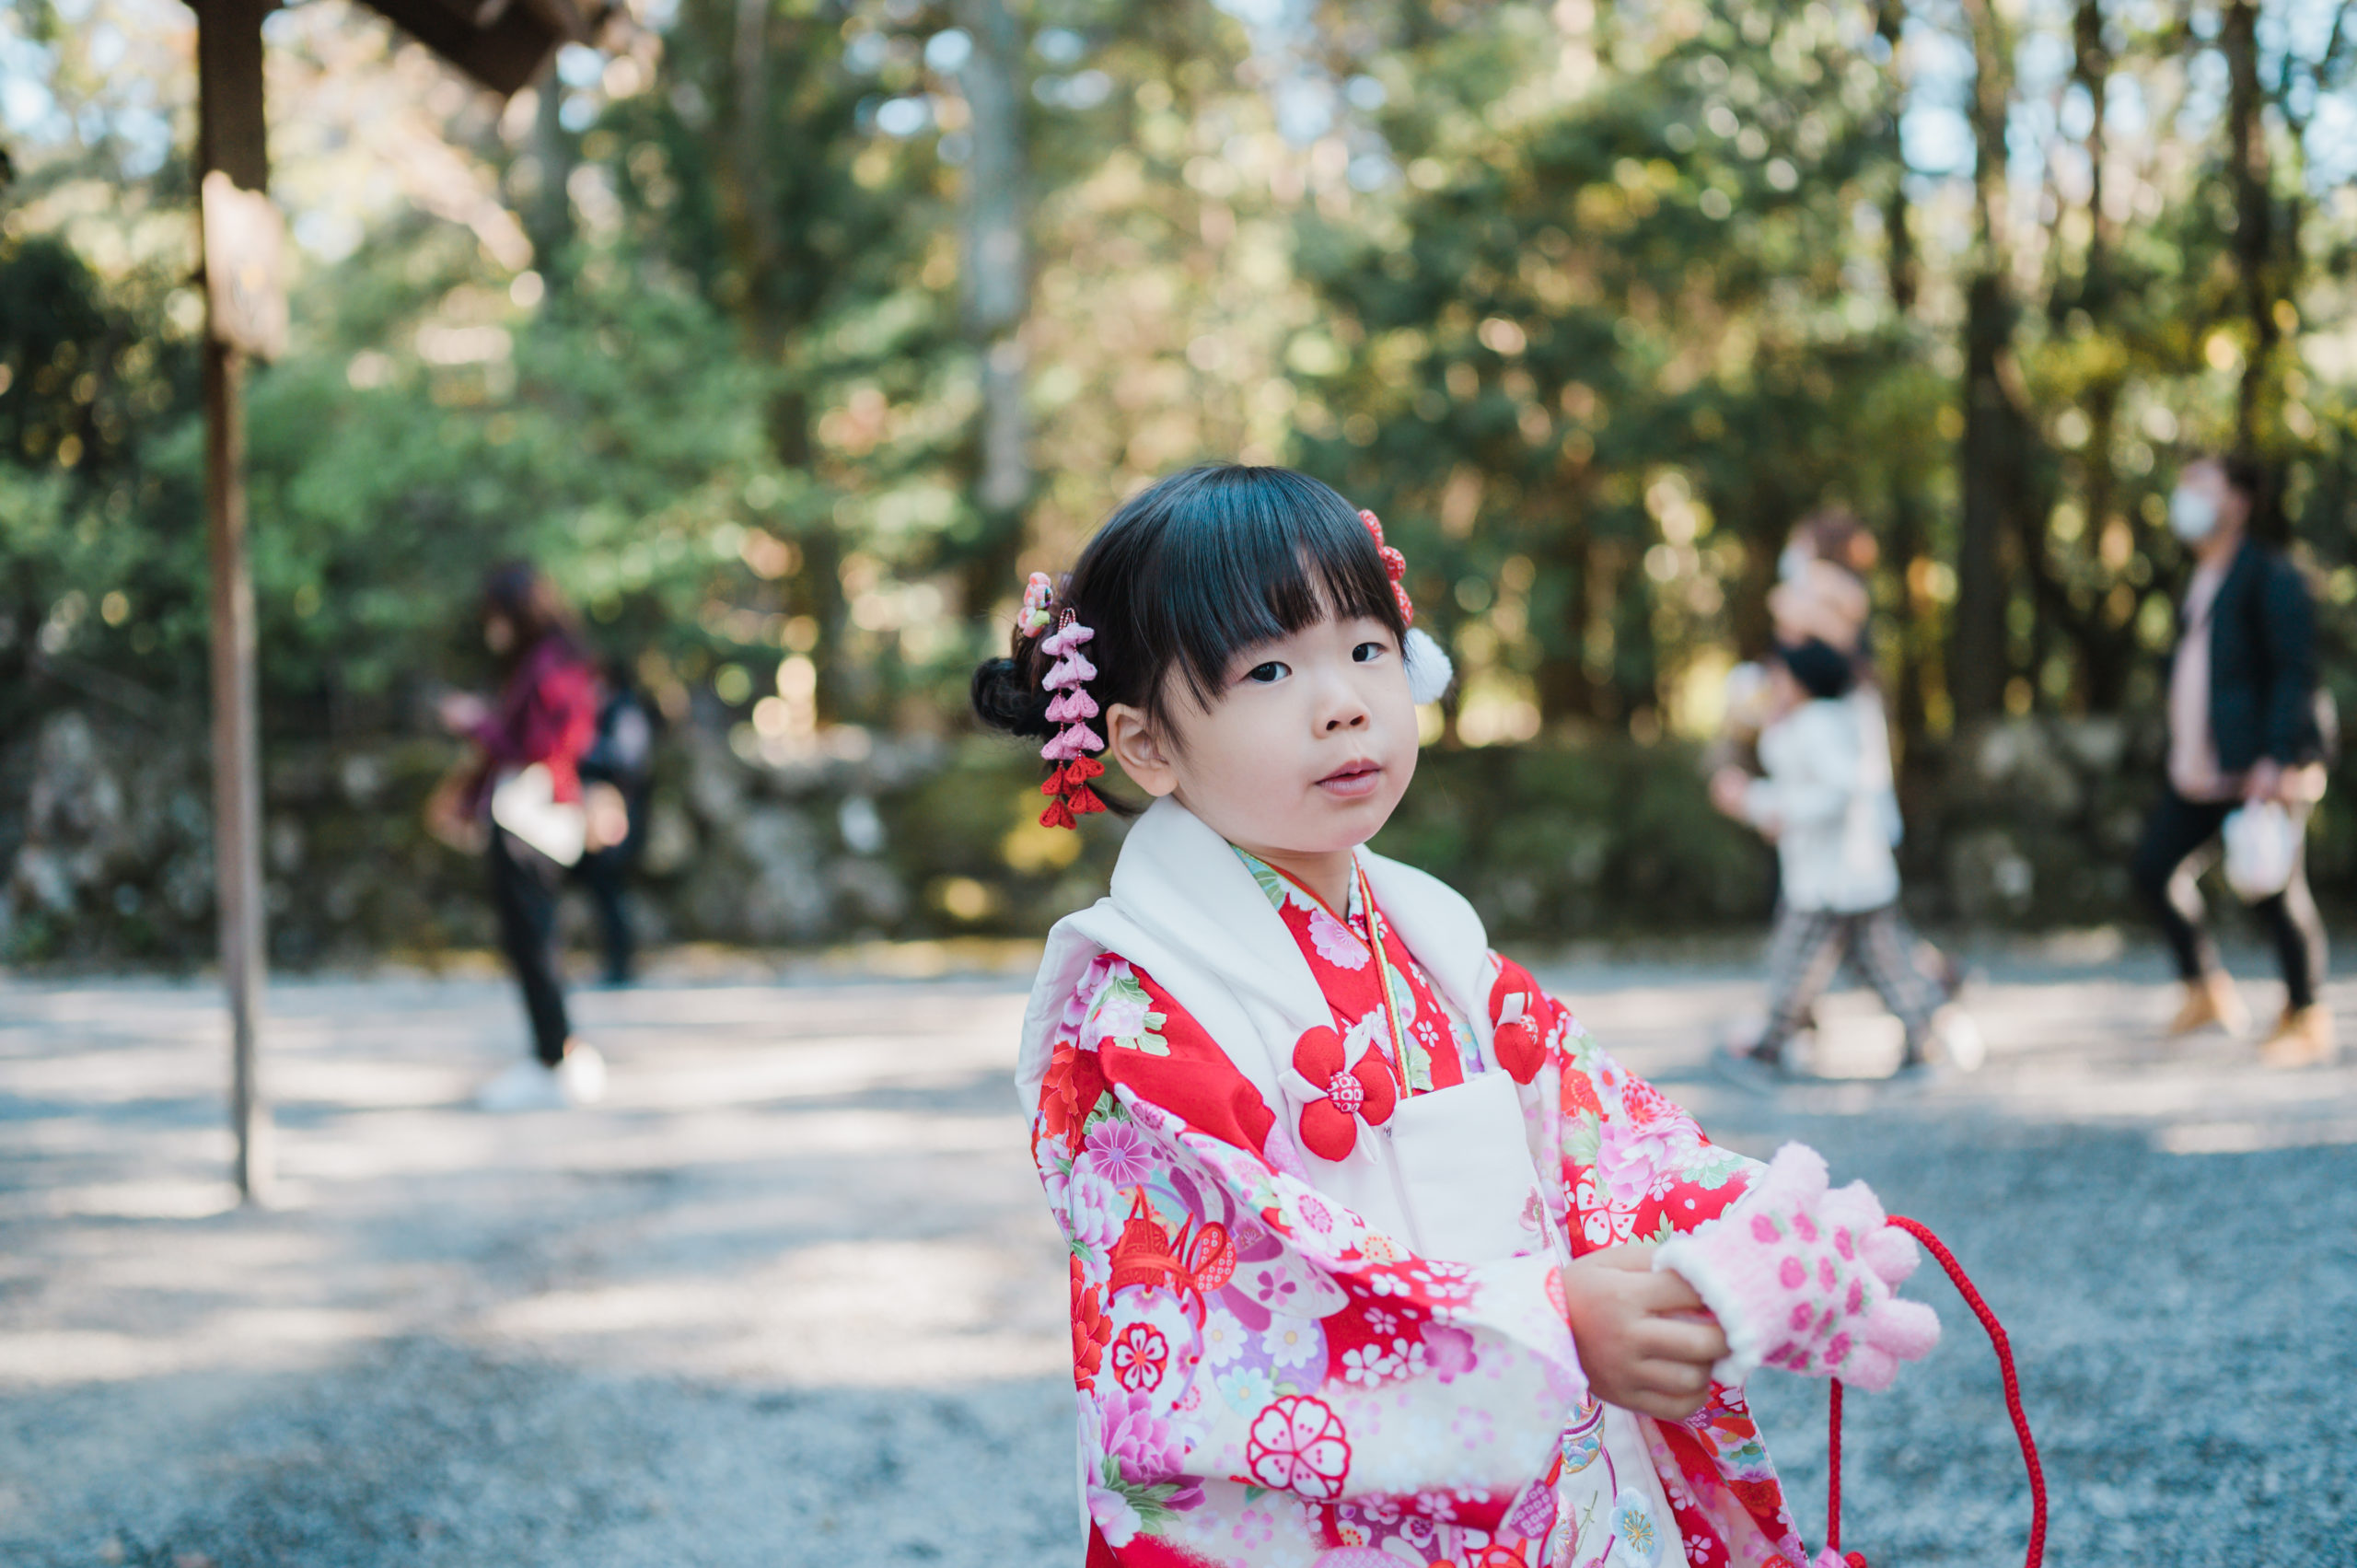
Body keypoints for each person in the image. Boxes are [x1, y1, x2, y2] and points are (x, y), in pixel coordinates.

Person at [972, 465, 1940, 1568]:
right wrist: (1548, 1322)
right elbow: (1224, 1313)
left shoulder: (1429, 935)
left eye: (1365, 647)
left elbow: (1589, 1129)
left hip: (1535, 1467)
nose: (1341, 697)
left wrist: (1757, 1231)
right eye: (1271, 666)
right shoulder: (1143, 1004)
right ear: (1144, 744)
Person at [2131, 454, 2332, 1067]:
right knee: (2152, 869)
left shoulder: (2269, 574)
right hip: (2199, 770)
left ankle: (2306, 1014)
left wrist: (2278, 755)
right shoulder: (2197, 577)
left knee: (2273, 887)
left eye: (2202, 486)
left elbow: (2295, 669)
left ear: (2239, 501)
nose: (2185, 496)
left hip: (2254, 767)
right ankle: (2206, 989)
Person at [1708, 626, 1975, 1084]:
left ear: (1803, 682)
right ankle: (1926, 1031)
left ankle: (1768, 1051)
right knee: (1880, 964)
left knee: (1796, 965)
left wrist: (1762, 804)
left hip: (1835, 880)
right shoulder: (1806, 723)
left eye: (1784, 677)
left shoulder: (1820, 725)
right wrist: (1761, 802)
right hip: (1839, 877)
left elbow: (1836, 791)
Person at [437, 563, 610, 1109]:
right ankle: (554, 1053)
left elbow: (537, 746)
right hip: (530, 818)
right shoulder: (556, 661)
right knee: (535, 941)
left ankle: (553, 1059)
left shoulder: (548, 665)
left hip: (526, 823)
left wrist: (473, 722)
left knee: (534, 942)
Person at [573, 662, 658, 986]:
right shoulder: (604, 711)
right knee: (602, 890)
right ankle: (614, 961)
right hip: (600, 815)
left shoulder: (624, 711)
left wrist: (584, 753)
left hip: (618, 815)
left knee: (609, 890)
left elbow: (628, 761)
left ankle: (620, 964)